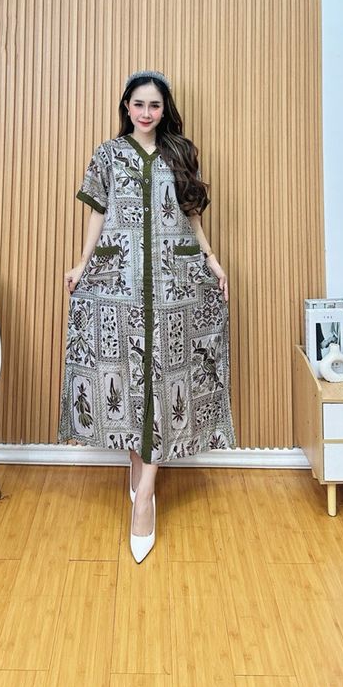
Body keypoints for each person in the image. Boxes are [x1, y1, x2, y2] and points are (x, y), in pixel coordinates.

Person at [58, 70, 237, 562]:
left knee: (165, 377)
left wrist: (211, 259)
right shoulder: (108, 154)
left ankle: (144, 497)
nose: (146, 112)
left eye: (154, 105)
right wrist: (82, 262)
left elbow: (192, 215)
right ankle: (137, 469)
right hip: (120, 282)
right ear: (126, 106)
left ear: (164, 109)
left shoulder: (181, 152)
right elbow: (98, 212)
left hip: (174, 283)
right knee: (128, 374)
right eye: (138, 104)